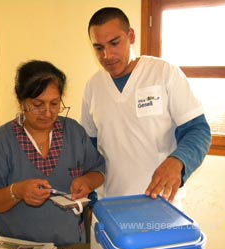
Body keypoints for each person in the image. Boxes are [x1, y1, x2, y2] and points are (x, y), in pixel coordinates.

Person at [81, 7, 211, 206]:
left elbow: (198, 130)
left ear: (131, 36)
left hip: (161, 202)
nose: (107, 55)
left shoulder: (164, 73)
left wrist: (178, 161)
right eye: (99, 48)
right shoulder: (93, 86)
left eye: (115, 43)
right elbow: (89, 148)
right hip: (111, 203)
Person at [0, 60, 105, 246]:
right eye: (37, 104)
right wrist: (17, 191)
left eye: (54, 103)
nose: (47, 113)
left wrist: (87, 182)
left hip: (71, 245)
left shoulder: (74, 133)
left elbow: (98, 170)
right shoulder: (0, 143)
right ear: (21, 102)